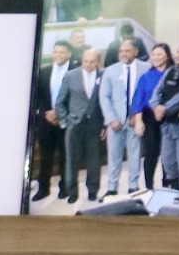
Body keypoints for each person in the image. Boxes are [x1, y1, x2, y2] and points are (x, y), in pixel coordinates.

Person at [60, 46, 107, 203]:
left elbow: (106, 100)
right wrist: (65, 121)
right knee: (72, 160)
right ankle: (72, 192)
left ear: (97, 62)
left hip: (94, 125)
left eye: (92, 61)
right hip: (74, 125)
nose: (88, 64)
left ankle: (93, 191)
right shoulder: (70, 75)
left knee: (94, 161)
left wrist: (105, 125)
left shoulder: (103, 75)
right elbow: (60, 102)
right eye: (85, 61)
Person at [152, 43, 179, 196]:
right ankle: (174, 189)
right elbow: (157, 90)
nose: (178, 55)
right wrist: (156, 107)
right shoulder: (171, 70)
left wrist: (165, 108)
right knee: (168, 159)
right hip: (166, 123)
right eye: (177, 51)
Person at [102, 37, 145, 197]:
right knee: (114, 155)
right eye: (121, 51)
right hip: (115, 121)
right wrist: (111, 118)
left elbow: (148, 94)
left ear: (136, 52)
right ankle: (112, 187)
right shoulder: (110, 70)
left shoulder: (145, 68)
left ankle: (133, 186)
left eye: (127, 51)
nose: (123, 54)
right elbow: (104, 96)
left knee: (135, 154)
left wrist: (139, 116)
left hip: (135, 120)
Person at [30, 40, 73, 201]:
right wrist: (47, 114)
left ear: (68, 53)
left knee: (65, 156)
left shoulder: (75, 71)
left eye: (62, 52)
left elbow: (76, 97)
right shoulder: (44, 71)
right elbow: (39, 97)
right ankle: (43, 189)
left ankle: (65, 188)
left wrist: (59, 113)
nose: (58, 55)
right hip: (46, 120)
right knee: (46, 156)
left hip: (66, 120)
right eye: (56, 52)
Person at [134, 42, 169, 188]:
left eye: (159, 54)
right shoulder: (146, 76)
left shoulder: (173, 73)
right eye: (154, 54)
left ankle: (168, 184)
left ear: (167, 56)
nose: (156, 57)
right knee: (150, 153)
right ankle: (149, 185)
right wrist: (138, 120)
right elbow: (138, 99)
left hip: (169, 116)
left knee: (168, 153)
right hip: (150, 117)